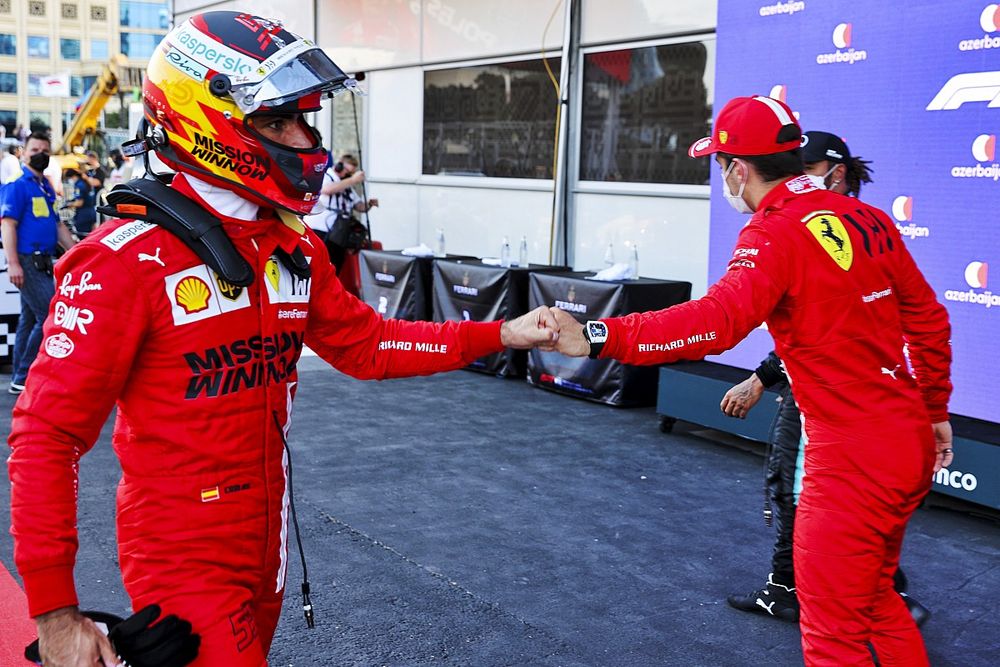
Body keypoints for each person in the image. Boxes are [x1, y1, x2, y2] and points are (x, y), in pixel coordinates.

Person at [7, 12, 559, 667]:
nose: (303, 138)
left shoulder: (292, 247)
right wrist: (56, 612)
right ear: (207, 121)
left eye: (303, 118)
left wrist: (500, 330)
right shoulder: (123, 260)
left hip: (267, 545)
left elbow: (369, 345)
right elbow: (47, 434)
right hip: (183, 555)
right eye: (277, 122)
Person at [549, 95, 952, 666]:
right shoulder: (867, 215)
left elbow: (712, 326)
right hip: (904, 435)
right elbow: (930, 319)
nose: (723, 181)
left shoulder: (774, 231)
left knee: (833, 634)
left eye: (719, 167)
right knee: (876, 601)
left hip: (852, 456)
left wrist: (594, 336)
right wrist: (934, 412)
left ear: (738, 169)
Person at [722, 130, 929, 626]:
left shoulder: (845, 225)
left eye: (805, 168)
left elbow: (730, 320)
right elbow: (809, 325)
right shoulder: (840, 224)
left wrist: (602, 336)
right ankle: (855, 591)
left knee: (805, 495)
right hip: (851, 402)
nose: (795, 179)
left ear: (834, 172)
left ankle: (864, 596)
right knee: (806, 493)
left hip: (842, 408)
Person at [0, 132, 76, 394]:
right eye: (35, 149)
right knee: (50, 314)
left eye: (45, 149)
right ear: (24, 151)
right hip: (27, 261)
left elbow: (57, 225)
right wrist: (13, 263)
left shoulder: (44, 187)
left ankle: (20, 375)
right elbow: (8, 225)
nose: (40, 153)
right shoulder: (17, 184)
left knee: (29, 319)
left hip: (42, 261)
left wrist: (77, 252)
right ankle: (25, 374)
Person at [62, 167, 97, 237]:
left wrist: (68, 205)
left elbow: (79, 203)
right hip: (92, 212)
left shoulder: (79, 185)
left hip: (83, 215)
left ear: (73, 176)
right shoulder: (85, 182)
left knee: (82, 236)